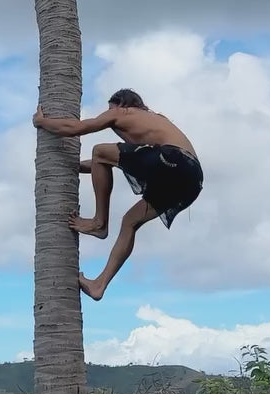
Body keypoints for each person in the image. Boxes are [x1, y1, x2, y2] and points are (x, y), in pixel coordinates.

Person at [33, 89, 203, 300]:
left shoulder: (121, 112)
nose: (108, 114)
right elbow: (110, 161)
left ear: (121, 104)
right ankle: (99, 285)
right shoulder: (154, 121)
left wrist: (42, 122)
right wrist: (76, 166)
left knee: (99, 150)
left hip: (173, 161)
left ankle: (99, 222)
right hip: (191, 179)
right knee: (130, 221)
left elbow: (75, 128)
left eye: (109, 108)